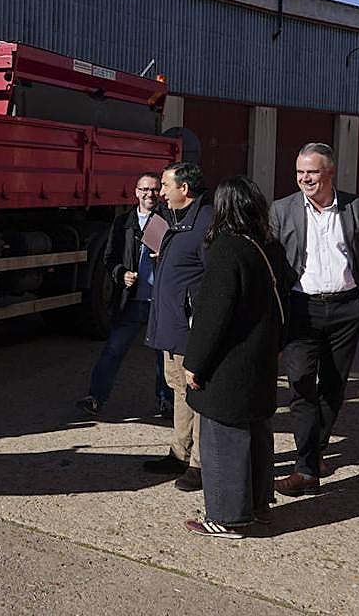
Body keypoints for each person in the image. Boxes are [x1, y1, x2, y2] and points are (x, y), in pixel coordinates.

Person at [270, 142, 359, 496]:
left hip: (346, 309)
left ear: (330, 173)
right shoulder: (282, 209)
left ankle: (315, 451)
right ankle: (306, 468)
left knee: (333, 386)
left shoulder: (357, 207)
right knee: (301, 384)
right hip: (301, 310)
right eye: (300, 172)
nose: (305, 178)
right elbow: (272, 260)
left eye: (312, 172)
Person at [181, 176, 294, 539]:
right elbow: (288, 300)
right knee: (258, 435)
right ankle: (259, 507)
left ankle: (228, 518)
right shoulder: (269, 248)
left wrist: (194, 363)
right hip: (260, 360)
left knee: (222, 440)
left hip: (229, 366)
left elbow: (214, 316)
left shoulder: (227, 250)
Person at [143, 161, 213, 491]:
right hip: (170, 326)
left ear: (184, 189)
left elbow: (213, 280)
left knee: (196, 396)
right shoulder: (171, 219)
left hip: (190, 330)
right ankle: (179, 452)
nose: (161, 191)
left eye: (166, 186)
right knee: (178, 391)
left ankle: (199, 463)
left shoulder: (206, 223)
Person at [76, 172, 167, 418]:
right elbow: (109, 259)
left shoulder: (168, 221)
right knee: (114, 350)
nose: (150, 194)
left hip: (160, 302)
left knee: (164, 358)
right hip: (133, 300)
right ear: (136, 192)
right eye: (145, 189)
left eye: (155, 190)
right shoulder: (123, 223)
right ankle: (96, 397)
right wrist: (121, 274)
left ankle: (165, 402)